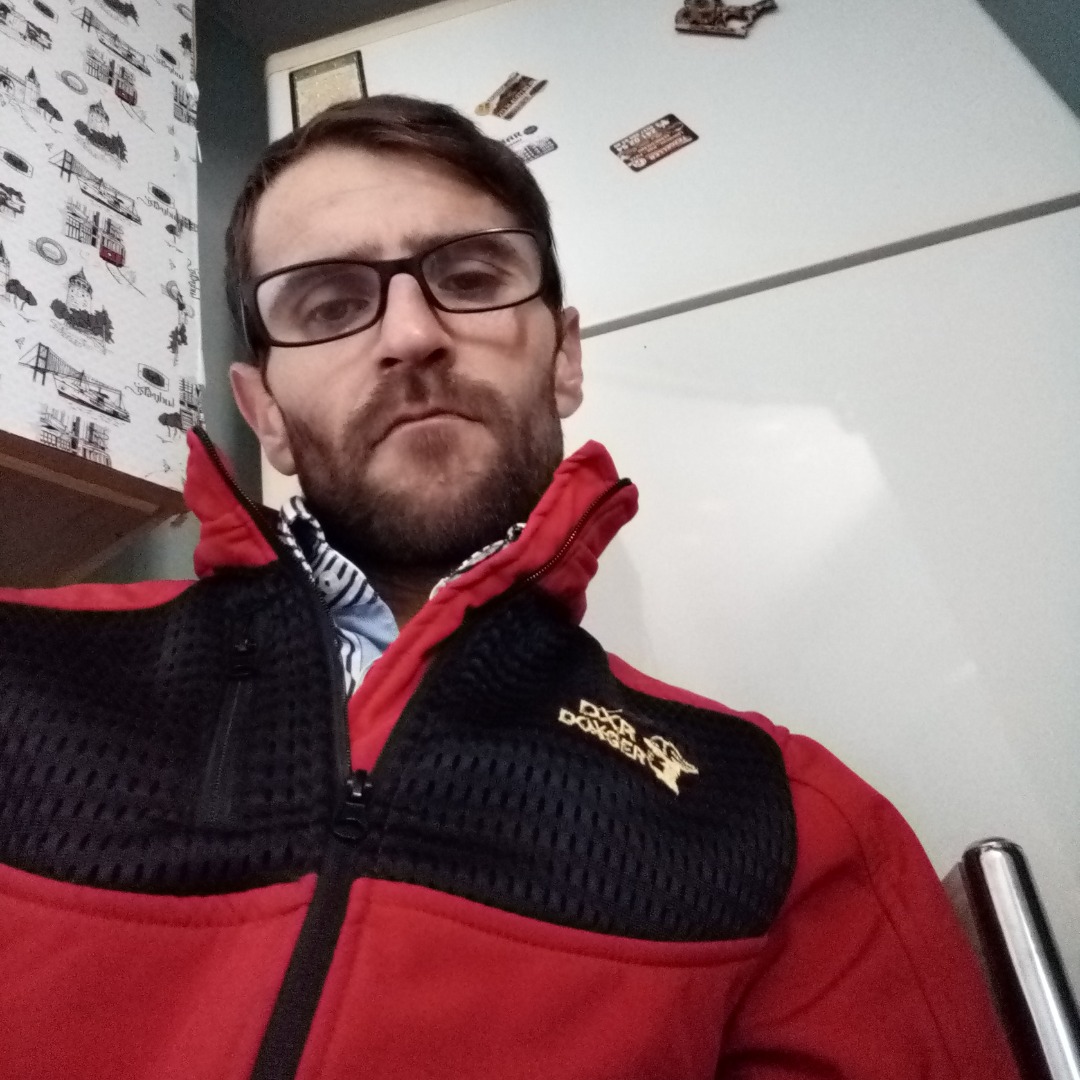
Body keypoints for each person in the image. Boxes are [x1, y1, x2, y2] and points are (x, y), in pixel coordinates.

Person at [0, 95, 1019, 1080]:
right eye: (331, 304)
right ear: (265, 412)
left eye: (473, 277)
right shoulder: (20, 674)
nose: (411, 334)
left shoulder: (792, 823)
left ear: (564, 358)